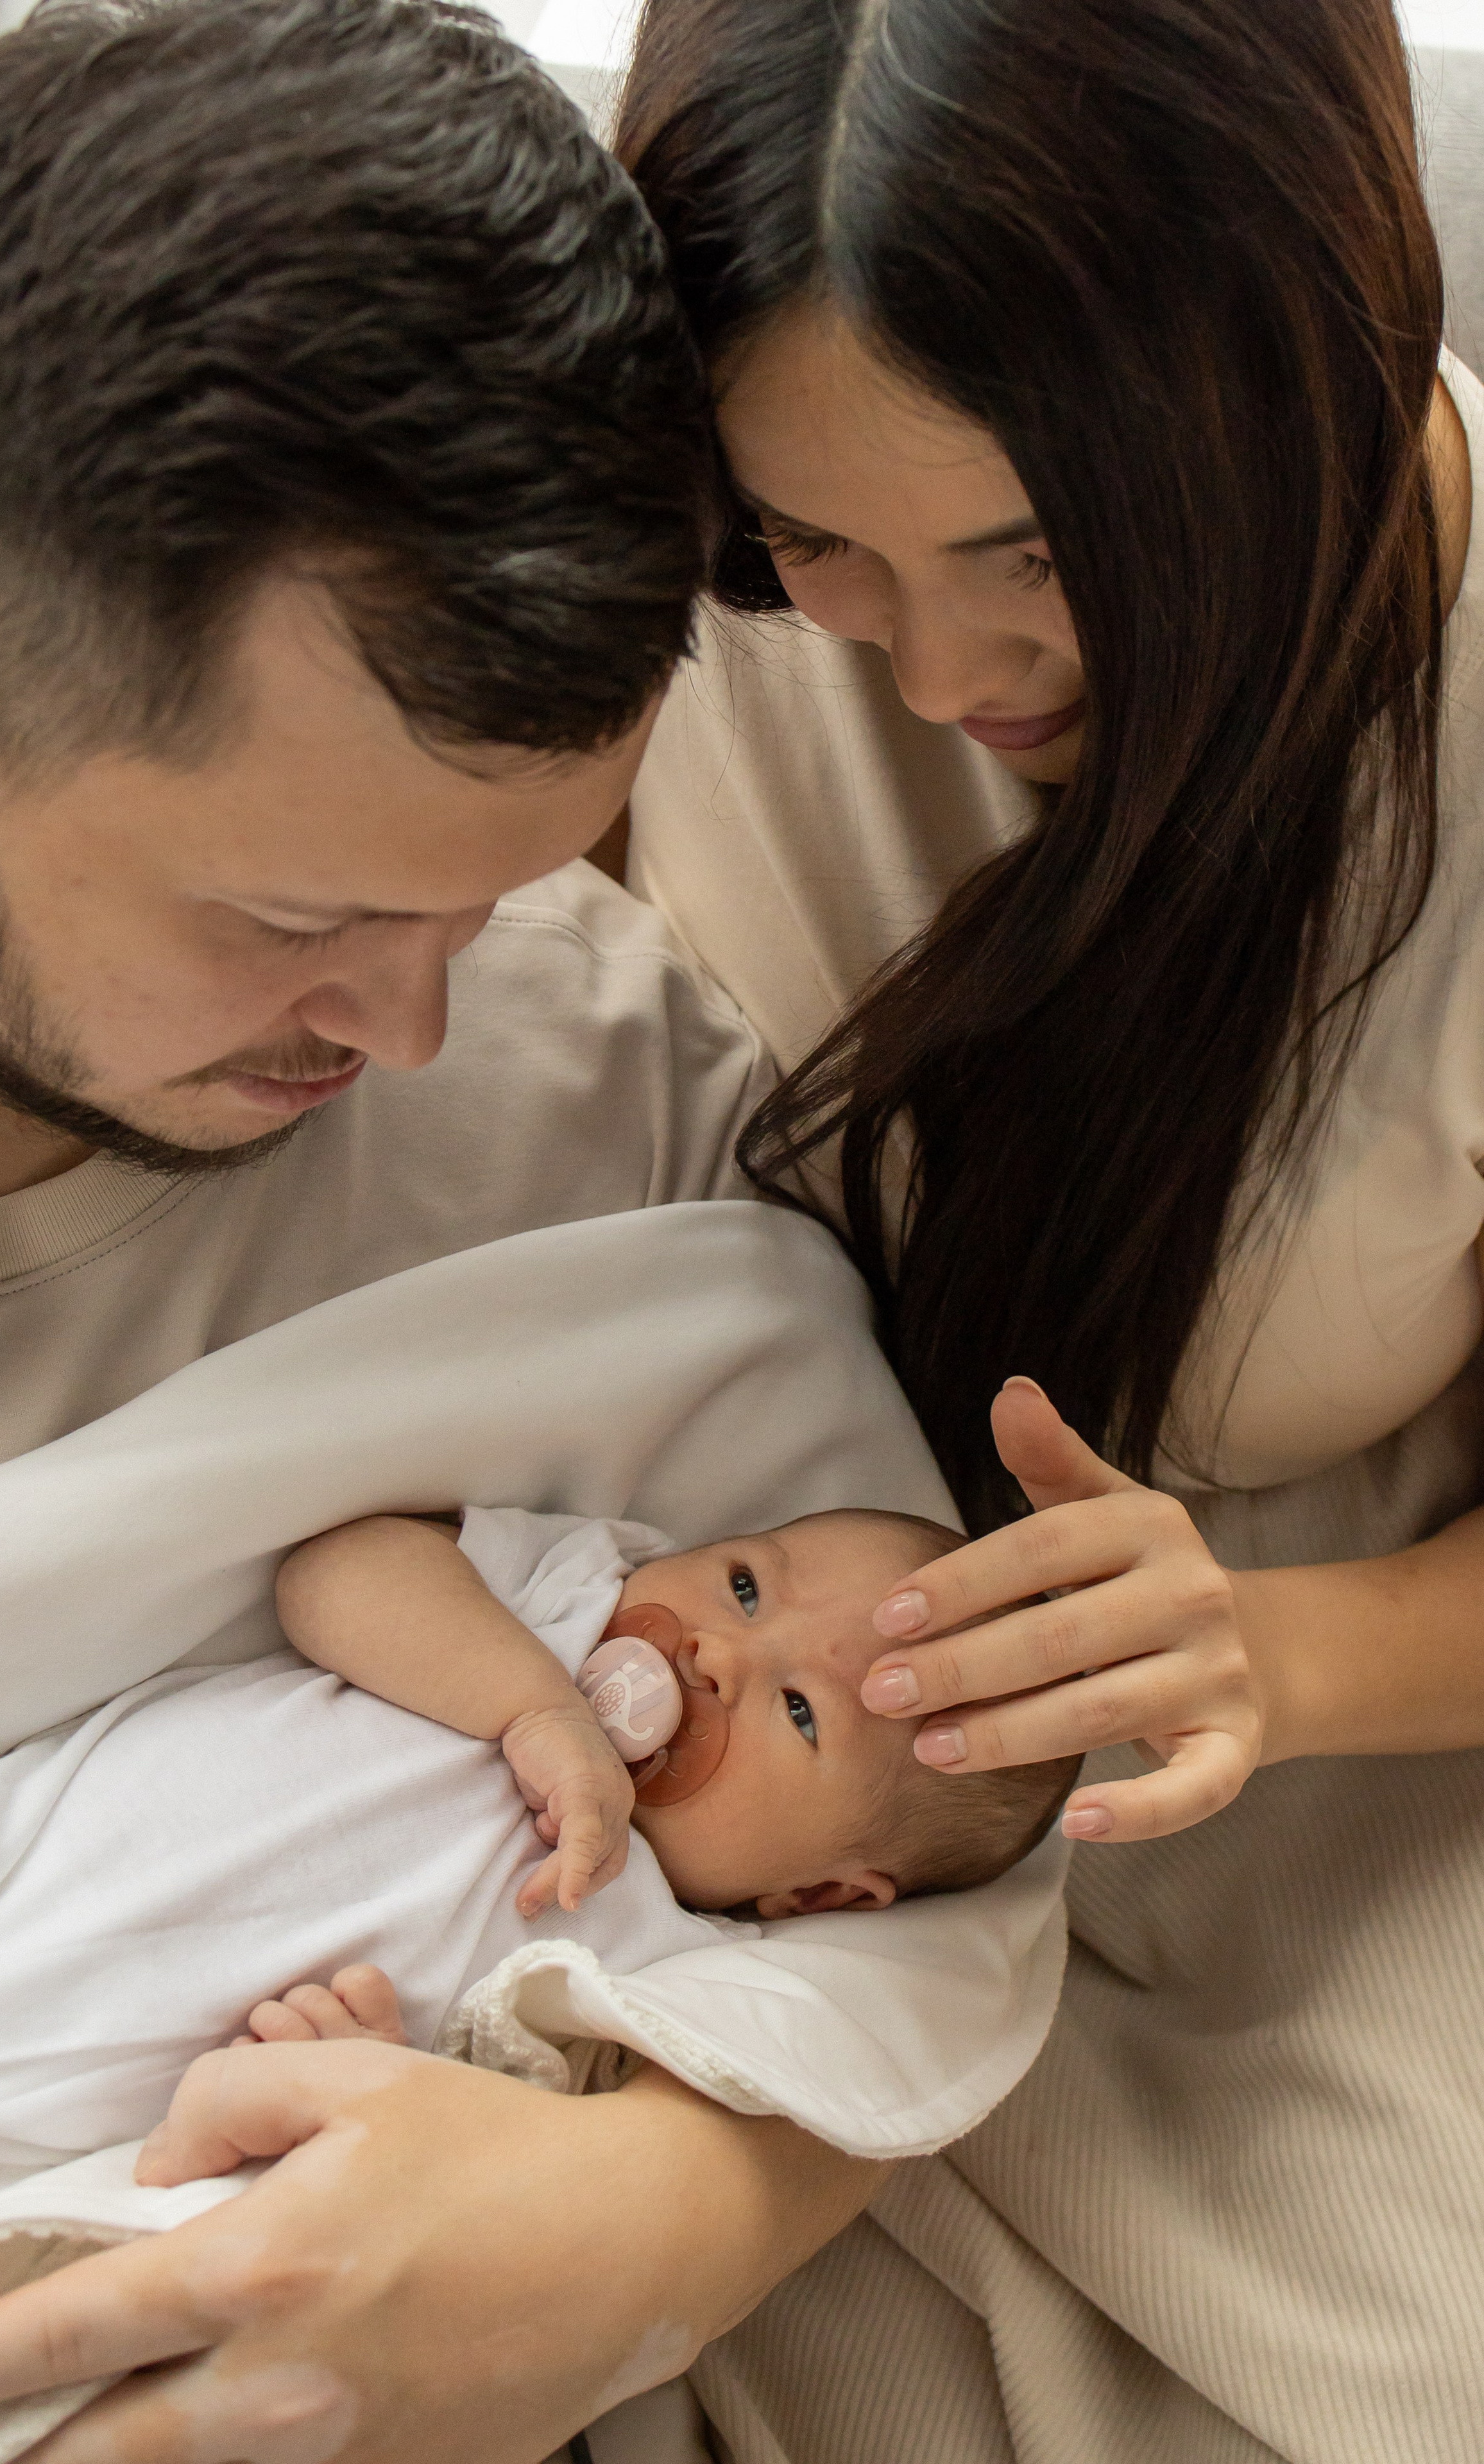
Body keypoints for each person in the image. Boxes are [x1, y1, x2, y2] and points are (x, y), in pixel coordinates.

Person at [0, 4, 897, 2459]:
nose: (411, 1031)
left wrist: (673, 2210)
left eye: (495, 892)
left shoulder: (626, 1120)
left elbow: (911, 1850)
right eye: (300, 916)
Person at [602, 0, 1484, 2454]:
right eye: (816, 546)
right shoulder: (683, 558)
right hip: (663, 1659)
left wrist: (1259, 1659)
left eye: (1046, 550)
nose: (944, 672)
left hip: (1291, 1746)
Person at [0, 1504, 1073, 2314]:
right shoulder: (560, 1598)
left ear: (816, 1893)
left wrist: (363, 2080)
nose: (719, 1654)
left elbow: (489, 2142)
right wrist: (530, 1706)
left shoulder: (662, 1969)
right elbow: (334, 1571)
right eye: (745, 1585)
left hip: (21, 2168)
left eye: (800, 1713)